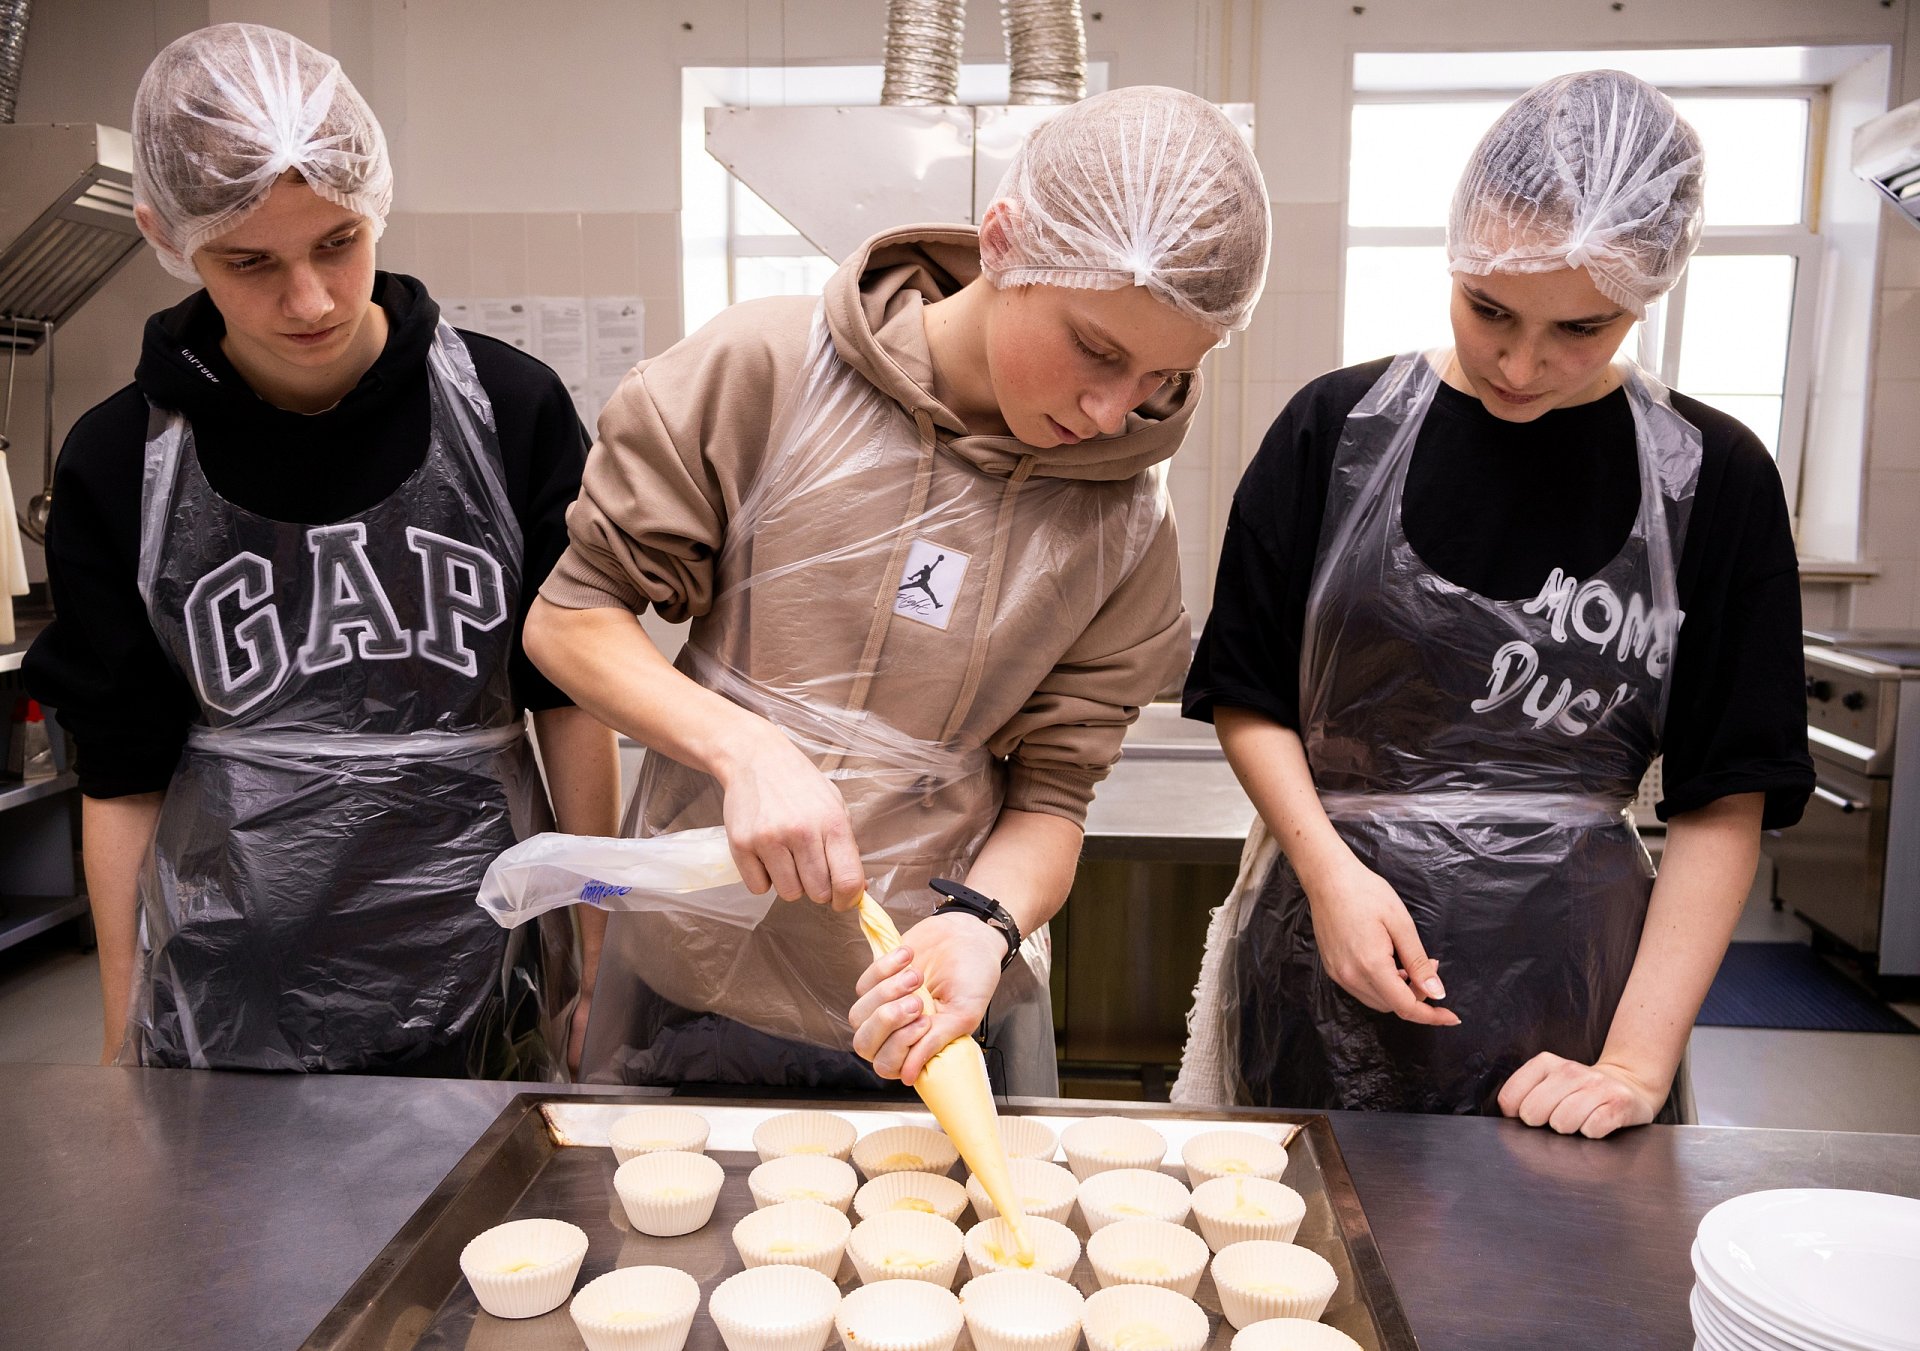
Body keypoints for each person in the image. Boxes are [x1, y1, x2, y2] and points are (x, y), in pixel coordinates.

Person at [524, 85, 1270, 1095]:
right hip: (690, 981)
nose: (1109, 410)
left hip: (923, 1014)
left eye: (1161, 377)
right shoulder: (765, 374)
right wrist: (746, 747)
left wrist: (981, 925)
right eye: (1095, 347)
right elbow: (571, 622)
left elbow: (1053, 798)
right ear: (1003, 241)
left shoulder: (1122, 522)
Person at [1174, 70, 1813, 1135]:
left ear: (1648, 292)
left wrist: (1638, 1064)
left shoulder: (1712, 480)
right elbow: (1248, 692)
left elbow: (1722, 799)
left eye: (1584, 327)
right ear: (1458, 250)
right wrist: (1328, 873)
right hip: (1321, 956)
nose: (1522, 364)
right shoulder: (1339, 432)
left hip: (1578, 998)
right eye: (1490, 309)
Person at [24, 24, 619, 1076]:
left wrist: (604, 970)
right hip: (232, 990)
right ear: (169, 236)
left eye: (338, 242)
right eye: (249, 262)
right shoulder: (122, 460)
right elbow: (121, 772)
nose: (308, 301)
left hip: (487, 964)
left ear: (376, 203)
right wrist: (122, 1030)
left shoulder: (510, 410)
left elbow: (570, 705)